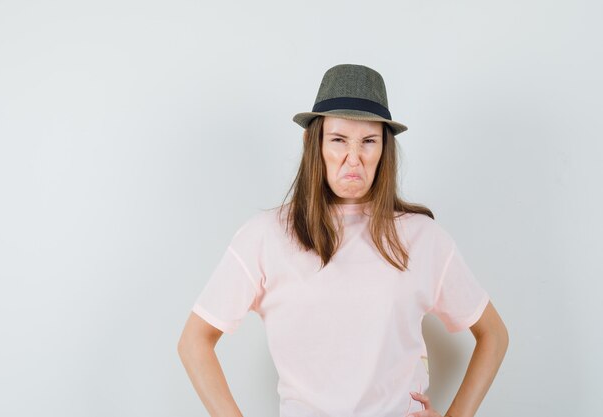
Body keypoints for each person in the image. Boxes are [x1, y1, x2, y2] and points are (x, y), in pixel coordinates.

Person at [177, 64, 509, 417]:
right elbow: (194, 342)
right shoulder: (266, 235)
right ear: (314, 142)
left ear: (385, 148)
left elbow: (494, 336)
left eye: (368, 141)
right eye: (338, 140)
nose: (354, 158)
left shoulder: (423, 238)